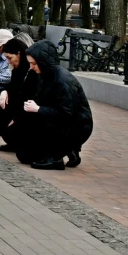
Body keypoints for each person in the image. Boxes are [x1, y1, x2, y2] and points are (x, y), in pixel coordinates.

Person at [12, 40, 93, 170]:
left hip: (76, 125)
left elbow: (66, 115)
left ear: (43, 62)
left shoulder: (61, 80)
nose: (31, 67)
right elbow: (25, 94)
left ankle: (56, 158)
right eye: (30, 64)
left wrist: (38, 109)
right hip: (55, 118)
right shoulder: (40, 73)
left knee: (37, 119)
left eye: (33, 63)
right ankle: (66, 150)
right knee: (24, 155)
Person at [0, 34, 35, 136]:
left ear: (18, 54)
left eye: (9, 58)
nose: (8, 62)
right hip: (19, 104)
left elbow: (25, 92)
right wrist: (3, 92)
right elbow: (13, 87)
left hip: (27, 106)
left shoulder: (30, 69)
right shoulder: (16, 69)